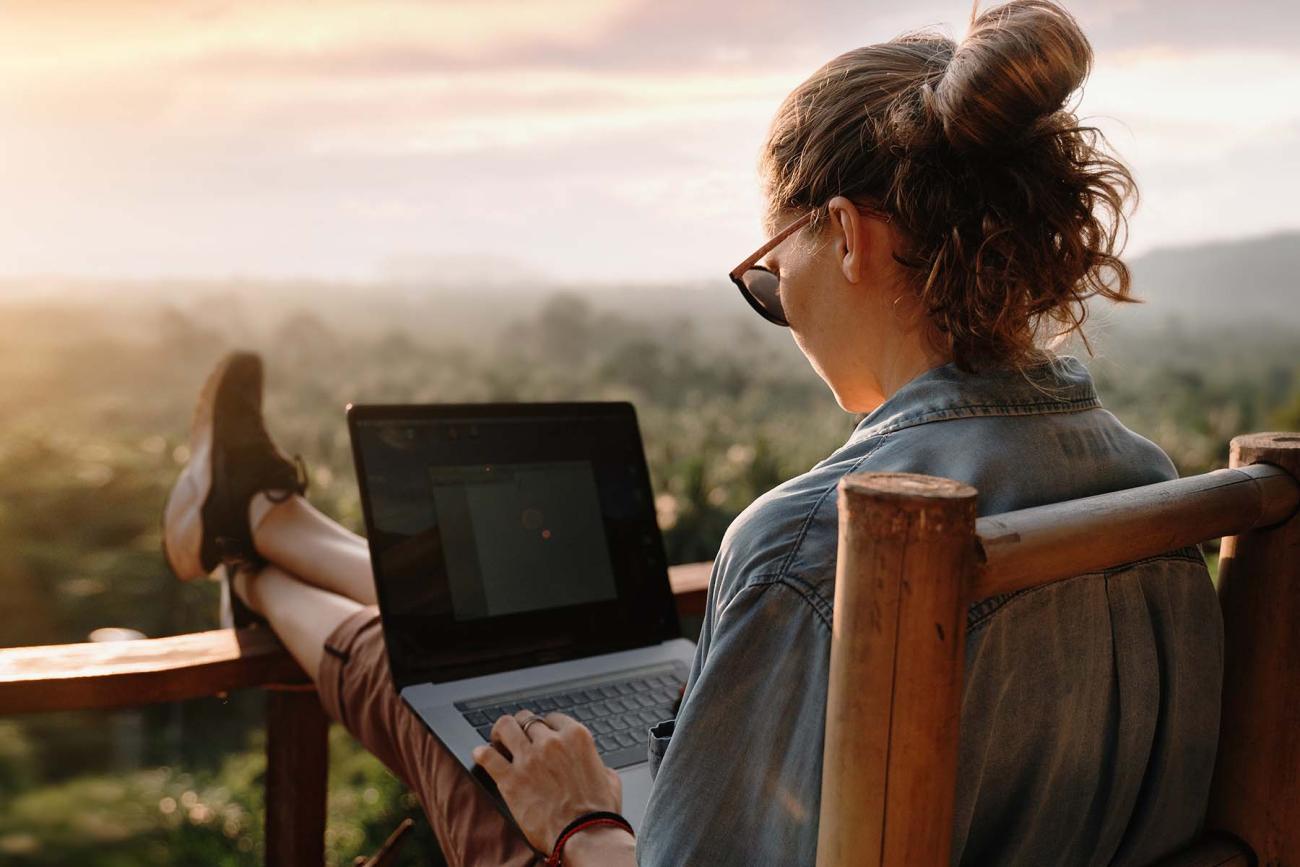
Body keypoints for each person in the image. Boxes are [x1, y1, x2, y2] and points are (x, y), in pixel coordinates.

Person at [161, 1, 1223, 864]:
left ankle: (252, 555)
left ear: (845, 235)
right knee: (480, 672)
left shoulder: (820, 541)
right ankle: (269, 529)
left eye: (771, 271)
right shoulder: (1151, 487)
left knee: (458, 710)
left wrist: (581, 820)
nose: (780, 304)